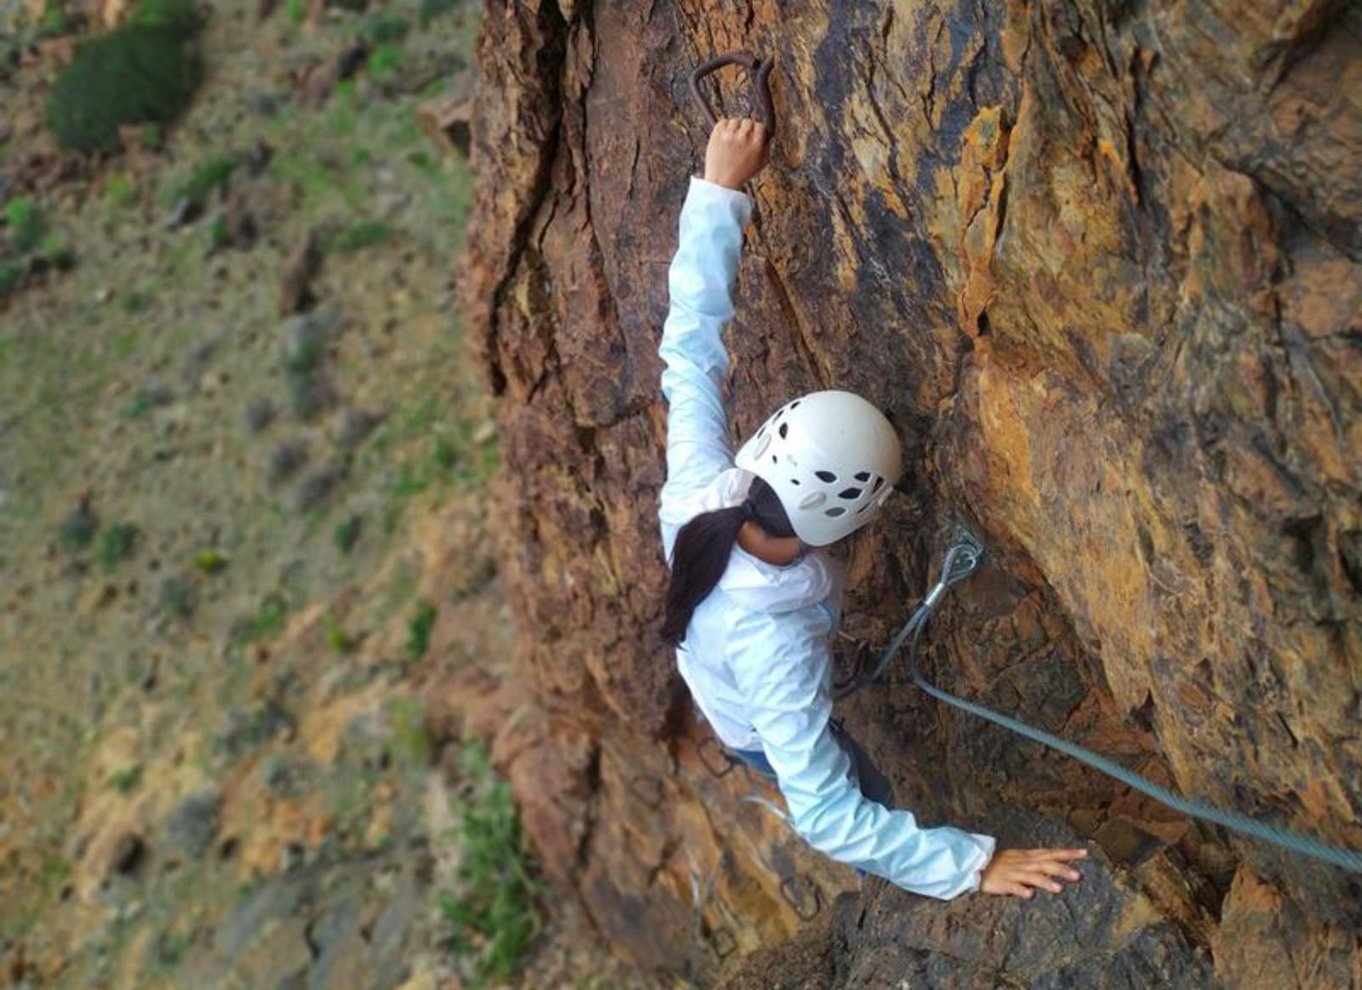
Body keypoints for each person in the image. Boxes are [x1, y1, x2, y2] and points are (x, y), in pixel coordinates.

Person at [657, 116, 1088, 900]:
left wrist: (720, 192)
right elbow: (825, 813)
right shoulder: (775, 648)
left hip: (729, 684)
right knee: (856, 792)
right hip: (756, 718)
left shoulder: (699, 493)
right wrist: (974, 866)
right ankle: (897, 885)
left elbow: (689, 353)